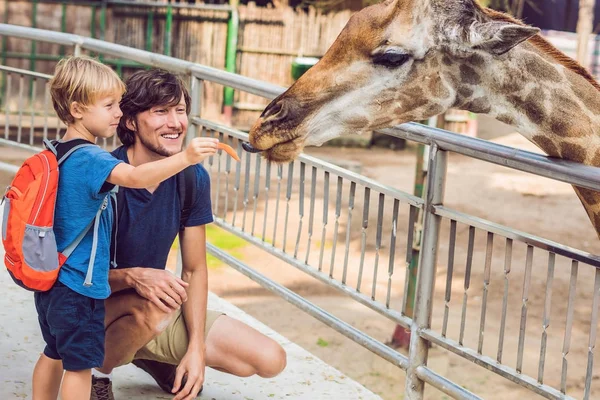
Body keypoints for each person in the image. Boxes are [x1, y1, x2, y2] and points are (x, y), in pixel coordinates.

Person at [90, 69, 287, 400]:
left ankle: (148, 353)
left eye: (179, 110)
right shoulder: (105, 177)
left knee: (270, 360)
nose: (175, 122)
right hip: (98, 312)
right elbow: (75, 275)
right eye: (160, 111)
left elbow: (194, 268)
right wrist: (134, 277)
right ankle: (99, 374)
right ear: (130, 122)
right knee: (154, 305)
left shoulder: (191, 177)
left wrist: (195, 349)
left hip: (153, 306)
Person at [32, 57, 219, 400]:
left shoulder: (57, 153)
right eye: (109, 106)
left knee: (53, 354)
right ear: (77, 109)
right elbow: (134, 177)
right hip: (80, 289)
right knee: (78, 370)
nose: (117, 114)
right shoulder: (93, 159)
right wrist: (187, 157)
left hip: (53, 287)